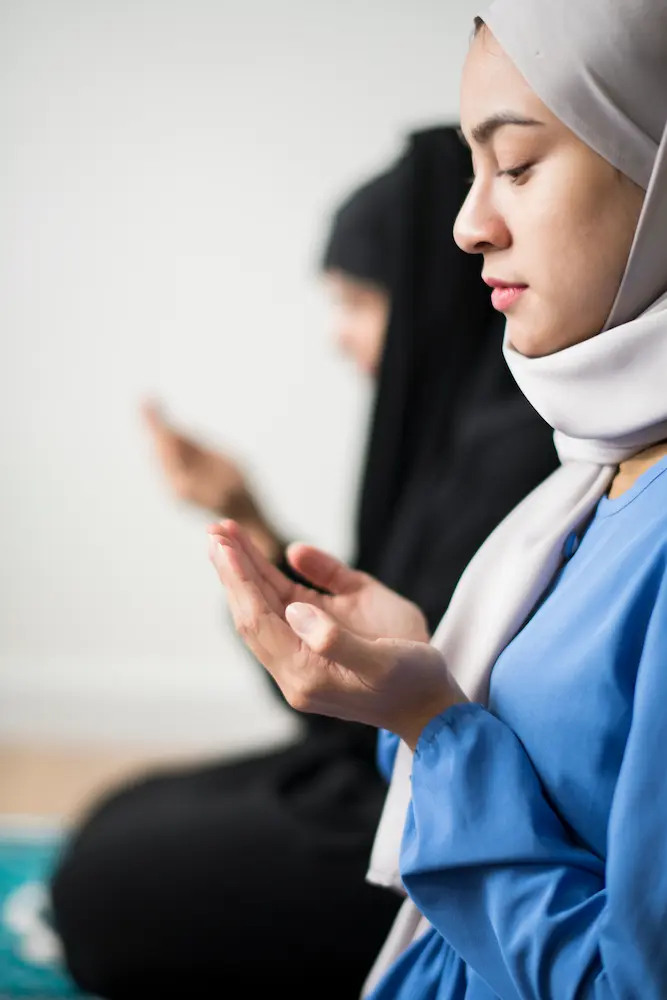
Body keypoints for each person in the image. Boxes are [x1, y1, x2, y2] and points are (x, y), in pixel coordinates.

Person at [207, 2, 667, 998]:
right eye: (472, 167)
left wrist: (433, 725)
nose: (469, 224)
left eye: (518, 163)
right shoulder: (596, 470)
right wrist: (416, 668)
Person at [51, 126, 558, 998]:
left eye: (360, 302)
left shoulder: (527, 456)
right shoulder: (464, 439)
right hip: (383, 772)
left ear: (434, 297)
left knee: (105, 885)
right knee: (117, 820)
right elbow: (340, 718)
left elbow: (382, 718)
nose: (340, 336)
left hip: (447, 821)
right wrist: (237, 513)